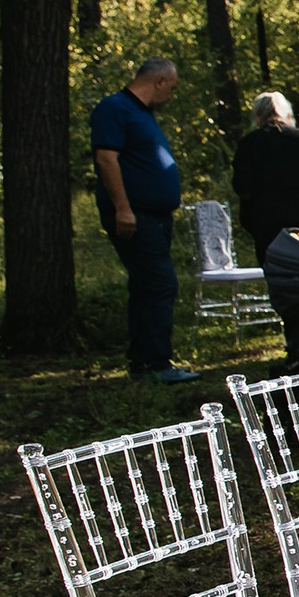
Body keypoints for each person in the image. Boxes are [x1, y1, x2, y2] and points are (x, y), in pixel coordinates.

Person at [90, 56, 194, 384]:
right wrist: (123, 208)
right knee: (161, 285)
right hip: (136, 215)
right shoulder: (115, 108)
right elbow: (106, 158)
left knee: (146, 287)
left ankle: (142, 361)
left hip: (156, 215)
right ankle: (155, 363)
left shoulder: (142, 114)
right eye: (172, 87)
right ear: (159, 81)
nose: (172, 95)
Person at [230, 91, 299, 262]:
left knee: (280, 278)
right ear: (288, 116)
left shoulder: (249, 145)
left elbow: (242, 186)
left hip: (271, 228)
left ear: (258, 117)